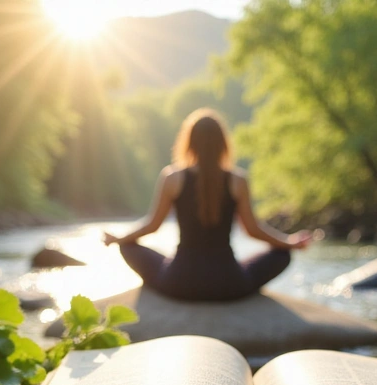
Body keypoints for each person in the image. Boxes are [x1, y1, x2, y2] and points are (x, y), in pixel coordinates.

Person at [104, 108, 314, 301]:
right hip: (229, 284)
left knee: (128, 247)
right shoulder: (238, 180)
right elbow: (253, 230)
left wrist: (119, 239)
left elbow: (152, 225)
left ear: (189, 142)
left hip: (179, 283)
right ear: (223, 143)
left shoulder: (172, 178)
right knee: (282, 255)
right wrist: (289, 243)